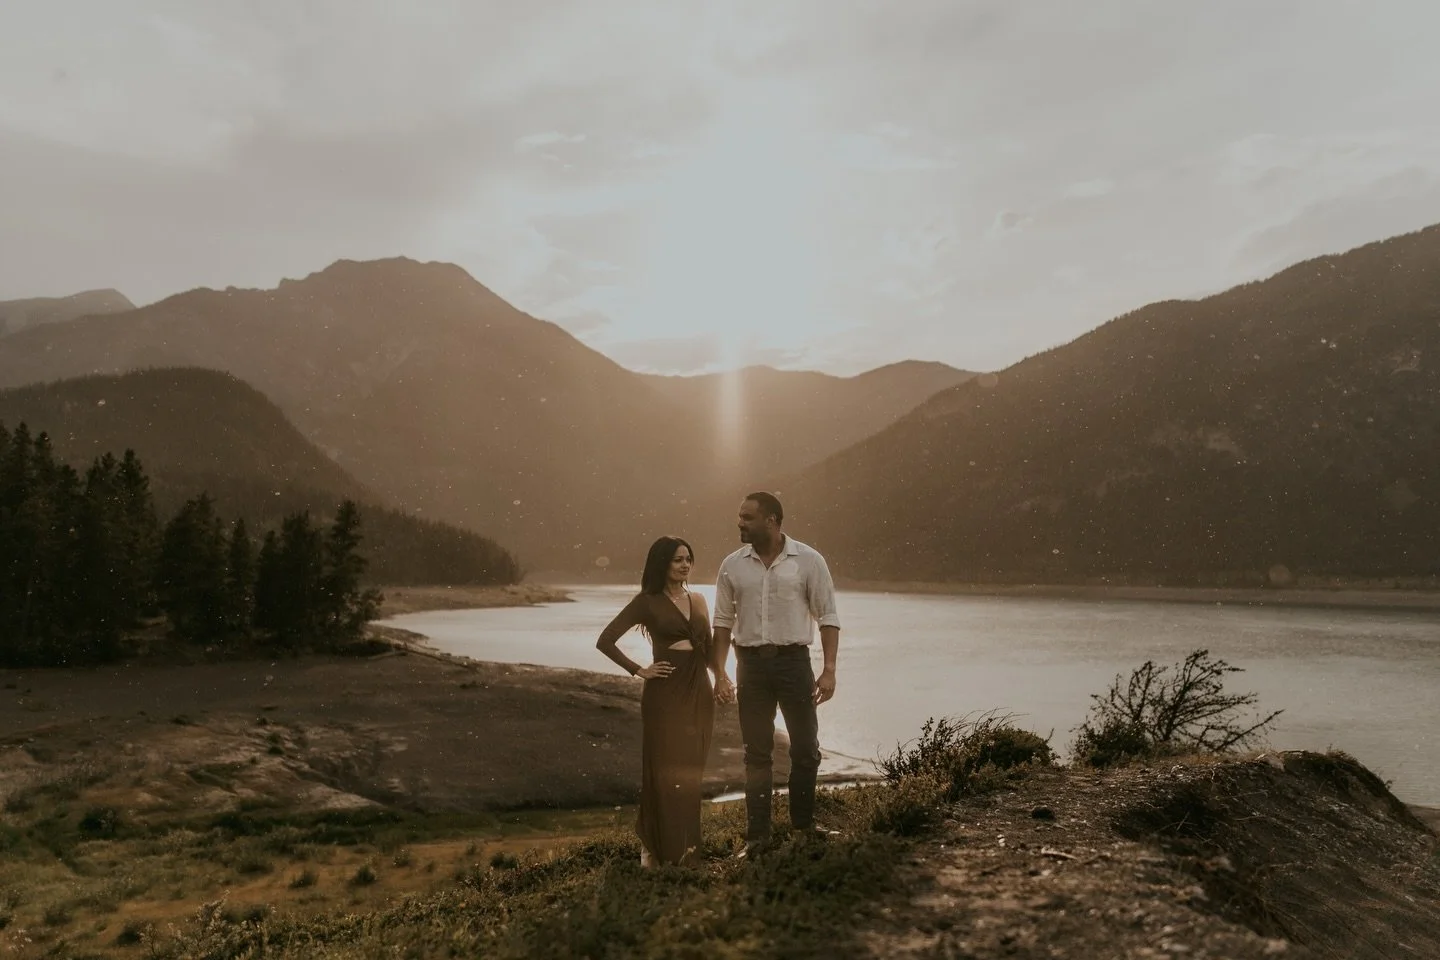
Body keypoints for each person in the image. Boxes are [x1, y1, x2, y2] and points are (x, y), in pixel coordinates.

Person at [710, 492, 841, 855]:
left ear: (772, 520)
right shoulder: (732, 566)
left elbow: (828, 617)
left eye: (747, 517)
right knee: (756, 754)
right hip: (749, 666)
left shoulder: (809, 561)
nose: (740, 522)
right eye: (739, 516)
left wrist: (828, 670)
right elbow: (721, 623)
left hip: (793, 664)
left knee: (805, 749)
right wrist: (719, 672)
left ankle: (803, 829)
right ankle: (758, 839)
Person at [595, 536, 717, 867]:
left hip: (699, 690)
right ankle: (658, 850)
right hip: (665, 694)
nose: (685, 565)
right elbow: (605, 640)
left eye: (689, 559)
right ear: (662, 563)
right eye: (678, 559)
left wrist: (724, 679)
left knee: (692, 772)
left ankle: (688, 852)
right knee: (664, 772)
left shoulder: (700, 600)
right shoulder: (646, 601)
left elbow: (707, 649)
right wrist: (639, 670)